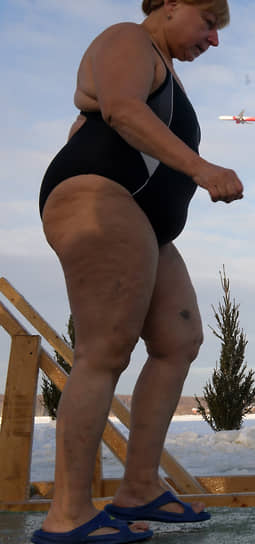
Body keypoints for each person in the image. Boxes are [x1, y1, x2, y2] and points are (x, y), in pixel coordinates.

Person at [33, 1, 241, 542]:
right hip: (101, 197)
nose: (214, 40)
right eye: (209, 23)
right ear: (170, 5)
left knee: (180, 337)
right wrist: (202, 168)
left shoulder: (163, 67)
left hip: (145, 221)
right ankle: (68, 515)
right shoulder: (128, 37)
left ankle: (140, 486)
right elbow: (123, 109)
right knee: (104, 350)